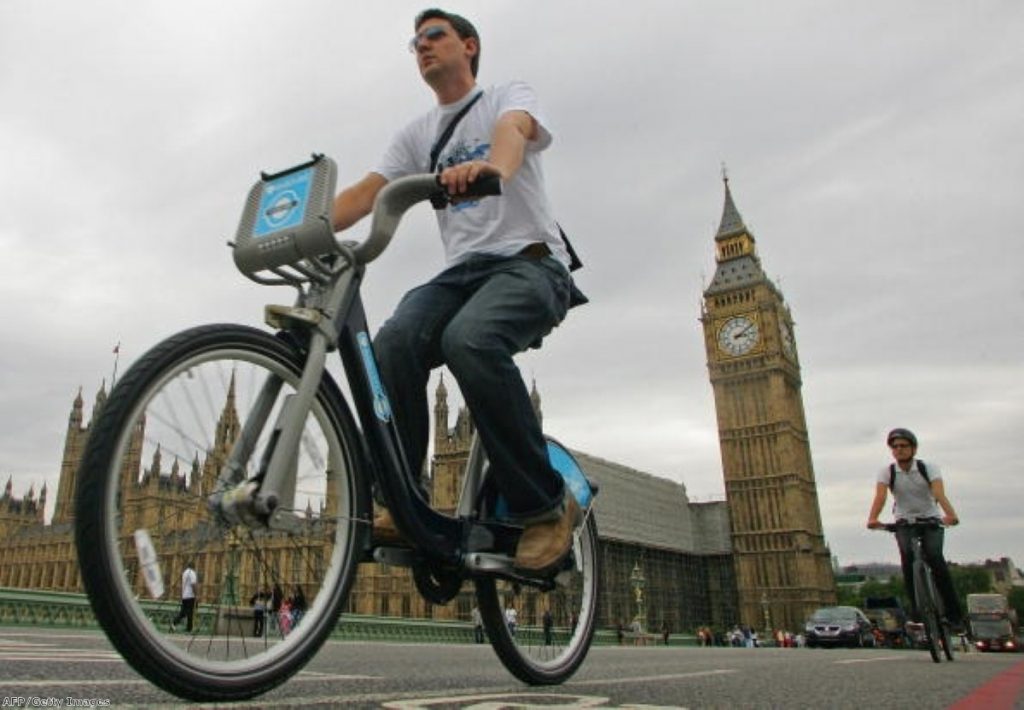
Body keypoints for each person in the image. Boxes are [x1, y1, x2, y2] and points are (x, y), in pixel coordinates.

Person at [330, 8, 584, 573]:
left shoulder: (504, 96)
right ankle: (405, 498)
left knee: (468, 341)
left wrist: (493, 165)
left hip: (531, 264)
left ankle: (545, 507)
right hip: (462, 274)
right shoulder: (418, 134)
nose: (422, 46)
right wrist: (309, 225)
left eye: (434, 36)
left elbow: (513, 131)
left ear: (469, 46)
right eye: (414, 42)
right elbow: (368, 192)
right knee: (390, 345)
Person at [866, 427, 964, 630]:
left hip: (931, 519)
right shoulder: (888, 472)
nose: (899, 450)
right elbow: (881, 497)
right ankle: (917, 613)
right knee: (908, 560)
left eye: (903, 446)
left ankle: (954, 615)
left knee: (936, 558)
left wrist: (950, 515)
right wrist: (873, 519)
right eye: (895, 447)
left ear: (913, 448)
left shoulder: (928, 468)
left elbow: (938, 493)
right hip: (904, 520)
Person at [170, 561, 197, 632]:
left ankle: (178, 624)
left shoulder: (184, 573)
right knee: (189, 612)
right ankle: (187, 628)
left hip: (184, 595)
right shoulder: (192, 573)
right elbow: (193, 585)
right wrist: (196, 595)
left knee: (185, 612)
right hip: (190, 596)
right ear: (193, 566)